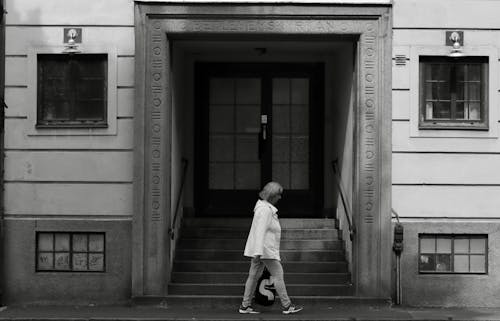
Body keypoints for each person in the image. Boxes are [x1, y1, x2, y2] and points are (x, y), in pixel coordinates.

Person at [238, 182, 303, 315]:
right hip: (265, 251)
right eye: (279, 194)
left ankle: (245, 306)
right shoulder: (266, 210)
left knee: (253, 276)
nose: (280, 197)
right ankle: (287, 305)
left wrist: (257, 252)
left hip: (261, 250)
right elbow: (260, 231)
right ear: (272, 196)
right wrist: (258, 252)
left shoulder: (263, 208)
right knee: (278, 275)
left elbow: (259, 231)